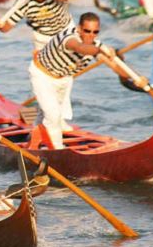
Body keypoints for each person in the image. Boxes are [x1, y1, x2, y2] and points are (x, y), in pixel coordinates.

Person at [29, 12, 143, 149]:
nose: (91, 35)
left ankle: (34, 139)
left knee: (47, 114)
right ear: (79, 29)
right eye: (87, 31)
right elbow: (81, 48)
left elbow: (116, 68)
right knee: (53, 116)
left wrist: (137, 78)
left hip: (63, 79)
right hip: (42, 75)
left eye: (95, 32)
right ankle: (58, 151)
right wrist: (101, 51)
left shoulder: (96, 46)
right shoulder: (69, 38)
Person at [0, 0, 75, 127]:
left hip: (65, 35)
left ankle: (61, 118)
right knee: (43, 77)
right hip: (42, 39)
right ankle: (47, 115)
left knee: (63, 77)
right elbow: (8, 26)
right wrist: (0, 25)